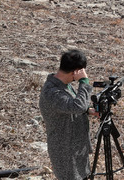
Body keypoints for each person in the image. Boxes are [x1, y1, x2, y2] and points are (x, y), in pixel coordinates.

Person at [39, 49, 95, 180]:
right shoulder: (52, 92)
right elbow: (77, 106)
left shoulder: (64, 85)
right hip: (65, 152)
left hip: (76, 148)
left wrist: (88, 110)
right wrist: (84, 82)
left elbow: (69, 105)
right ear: (75, 71)